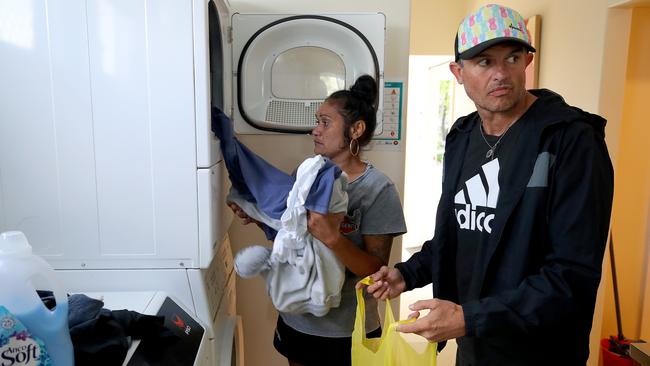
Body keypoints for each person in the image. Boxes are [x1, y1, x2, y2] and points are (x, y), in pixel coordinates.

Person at [362, 4, 614, 365]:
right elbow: (458, 233)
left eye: (512, 58)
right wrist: (406, 274)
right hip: (475, 347)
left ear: (527, 61)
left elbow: (572, 274)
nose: (501, 73)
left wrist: (468, 318)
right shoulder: (463, 136)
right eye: (484, 61)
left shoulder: (571, 141)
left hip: (540, 352)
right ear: (458, 71)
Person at [229, 75, 407, 366]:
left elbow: (376, 272)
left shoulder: (378, 189)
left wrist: (333, 238)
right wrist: (258, 217)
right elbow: (291, 235)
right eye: (317, 121)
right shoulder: (306, 173)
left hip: (348, 331)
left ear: (356, 130)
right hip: (298, 319)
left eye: (325, 122)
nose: (315, 130)